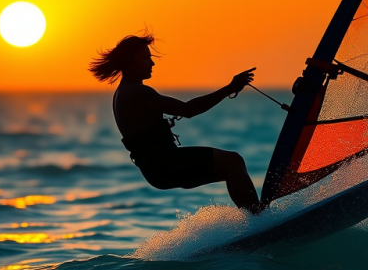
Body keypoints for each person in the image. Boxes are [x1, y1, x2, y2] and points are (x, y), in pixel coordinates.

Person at [89, 33, 266, 215]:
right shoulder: (136, 92)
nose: (152, 63)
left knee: (230, 169)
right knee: (233, 161)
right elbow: (188, 109)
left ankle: (251, 221)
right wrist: (230, 88)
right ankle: (258, 218)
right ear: (129, 62)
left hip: (156, 169)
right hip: (165, 163)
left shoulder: (122, 93)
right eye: (146, 58)